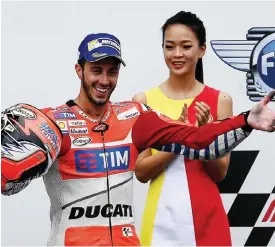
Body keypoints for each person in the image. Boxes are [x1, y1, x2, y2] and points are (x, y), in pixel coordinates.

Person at [1, 32, 275, 247]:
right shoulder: (53, 123)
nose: (105, 80)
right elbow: (8, 184)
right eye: (96, 70)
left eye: (112, 71)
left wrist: (245, 121)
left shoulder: (135, 116)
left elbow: (197, 141)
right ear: (79, 70)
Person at [132, 11, 260, 246]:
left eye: (186, 46)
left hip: (207, 220)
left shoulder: (220, 99)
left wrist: (205, 135)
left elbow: (219, 173)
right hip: (160, 221)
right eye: (169, 47)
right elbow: (141, 173)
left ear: (202, 49)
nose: (177, 54)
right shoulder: (143, 101)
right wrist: (182, 137)